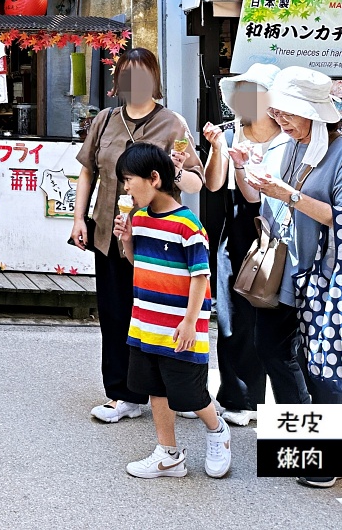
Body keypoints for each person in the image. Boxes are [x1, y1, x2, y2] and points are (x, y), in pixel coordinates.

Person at [245, 66, 342, 490]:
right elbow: (261, 199)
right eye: (277, 110)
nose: (280, 118)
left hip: (328, 273)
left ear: (317, 114)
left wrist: (290, 195)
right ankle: (302, 437)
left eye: (289, 112)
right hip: (283, 268)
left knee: (323, 365)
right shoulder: (283, 146)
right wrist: (249, 172)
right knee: (270, 349)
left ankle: (324, 458)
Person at [72, 47, 205, 423]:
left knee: (162, 316)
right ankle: (124, 394)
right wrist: (79, 218)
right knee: (115, 315)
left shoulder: (173, 124)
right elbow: (87, 173)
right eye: (127, 76)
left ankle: (182, 391)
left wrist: (176, 171)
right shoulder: (105, 120)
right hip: (110, 233)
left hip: (158, 239)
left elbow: (196, 181)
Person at [113, 143, 232, 480]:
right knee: (155, 389)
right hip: (146, 324)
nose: (125, 188)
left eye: (127, 179)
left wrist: (191, 322)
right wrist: (127, 242)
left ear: (153, 178)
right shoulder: (139, 219)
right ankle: (168, 454)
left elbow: (201, 277)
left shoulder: (188, 226)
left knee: (190, 394)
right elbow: (142, 266)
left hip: (181, 328)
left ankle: (217, 431)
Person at [201, 63, 286, 427]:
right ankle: (237, 395)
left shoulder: (288, 138)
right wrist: (221, 151)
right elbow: (213, 184)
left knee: (270, 315)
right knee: (231, 315)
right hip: (233, 227)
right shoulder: (229, 132)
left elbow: (259, 197)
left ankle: (263, 399)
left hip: (276, 229)